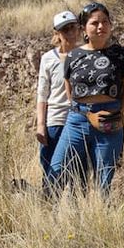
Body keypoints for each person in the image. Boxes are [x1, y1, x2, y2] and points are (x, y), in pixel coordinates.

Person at [48, 2, 124, 194]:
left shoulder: (121, 54)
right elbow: (69, 88)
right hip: (77, 120)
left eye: (105, 22)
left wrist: (117, 113)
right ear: (84, 28)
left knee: (104, 181)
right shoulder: (74, 56)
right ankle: (51, 217)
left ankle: (102, 220)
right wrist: (83, 111)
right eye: (94, 23)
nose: (101, 26)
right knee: (57, 171)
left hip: (109, 119)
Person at [36, 10, 81, 192]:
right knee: (51, 171)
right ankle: (47, 210)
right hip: (55, 121)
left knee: (77, 173)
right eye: (65, 30)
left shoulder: (85, 55)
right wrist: (41, 125)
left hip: (78, 121)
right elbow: (42, 94)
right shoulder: (48, 59)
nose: (70, 33)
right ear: (57, 34)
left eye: (72, 28)